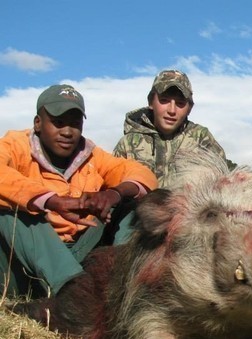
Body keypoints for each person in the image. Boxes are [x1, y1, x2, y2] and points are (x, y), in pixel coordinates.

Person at [0, 84, 158, 299]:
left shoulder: (92, 156)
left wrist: (113, 194)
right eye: (58, 123)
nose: (67, 132)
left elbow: (142, 174)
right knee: (10, 208)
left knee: (132, 204)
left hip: (77, 255)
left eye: (74, 124)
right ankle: (76, 297)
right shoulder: (15, 146)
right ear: (38, 123)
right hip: (21, 266)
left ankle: (123, 283)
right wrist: (52, 201)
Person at [114, 69, 226, 187]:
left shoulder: (202, 139)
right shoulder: (128, 143)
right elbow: (112, 186)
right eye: (164, 101)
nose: (172, 110)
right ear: (151, 102)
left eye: (180, 103)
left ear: (190, 108)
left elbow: (221, 186)